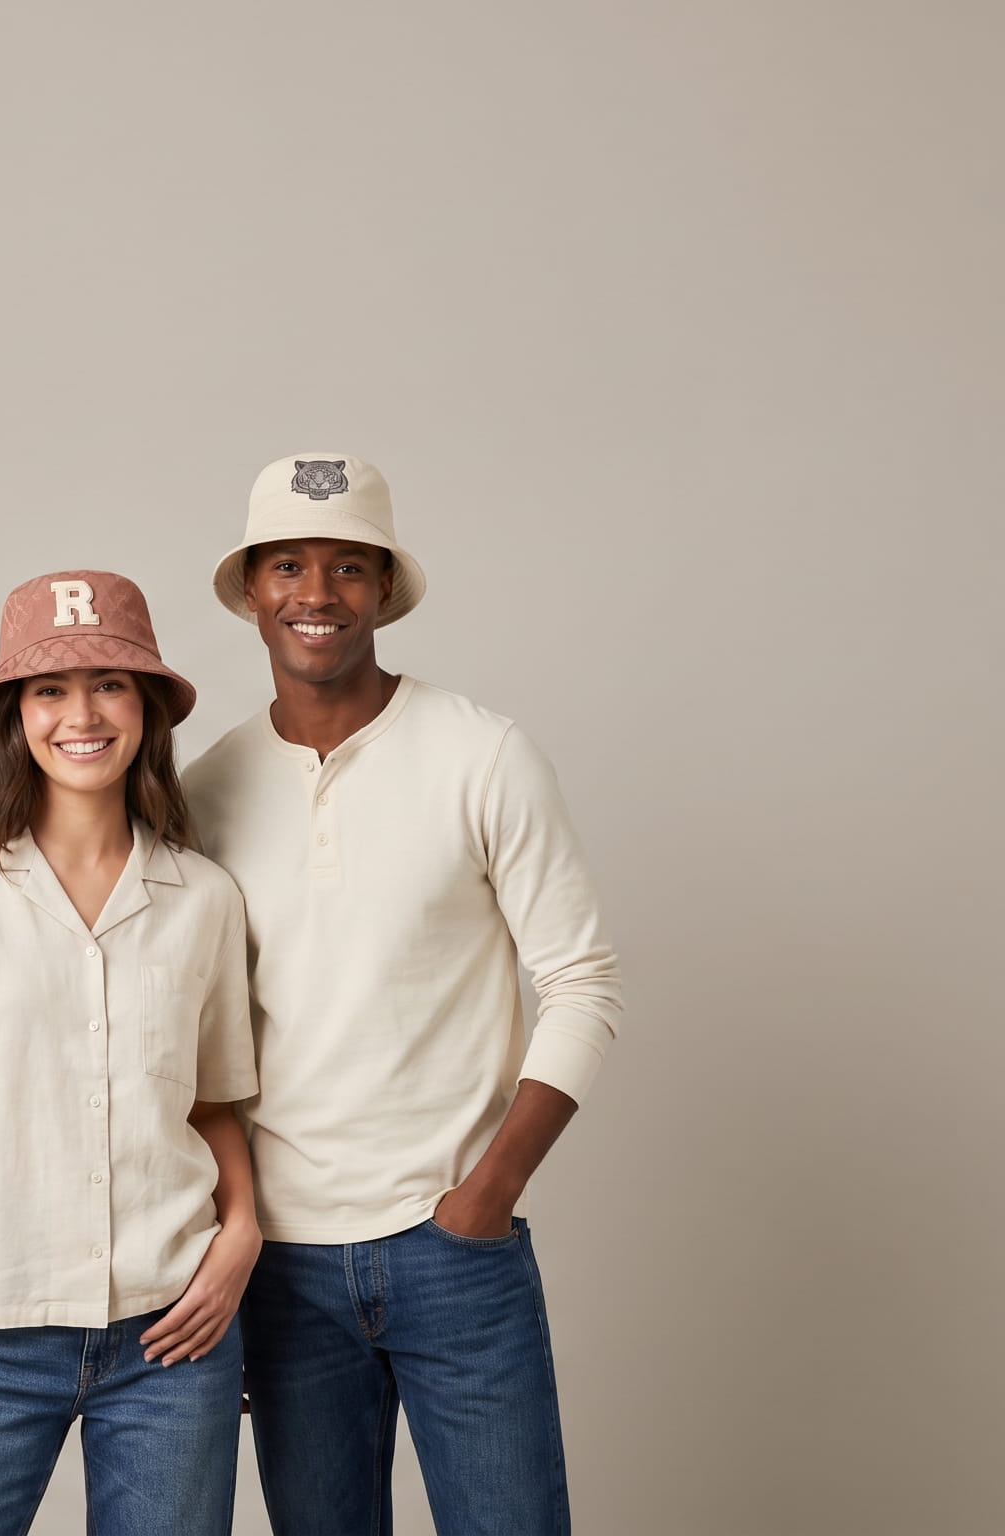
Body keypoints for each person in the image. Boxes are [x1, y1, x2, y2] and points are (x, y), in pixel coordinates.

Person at [183, 455, 623, 1536]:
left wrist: (484, 1195)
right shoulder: (205, 790)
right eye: (287, 565)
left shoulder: (482, 754)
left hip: (453, 1252)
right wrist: (224, 1236)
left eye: (346, 567)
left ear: (382, 590)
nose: (315, 594)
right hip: (279, 1266)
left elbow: (582, 981)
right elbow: (191, 1042)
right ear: (251, 591)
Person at [0, 570, 262, 1536]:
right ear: (14, 715)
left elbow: (213, 1105)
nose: (83, 714)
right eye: (51, 690)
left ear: (147, 707)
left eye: (110, 684)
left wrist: (242, 1234)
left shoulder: (205, 898)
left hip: (172, 1337)